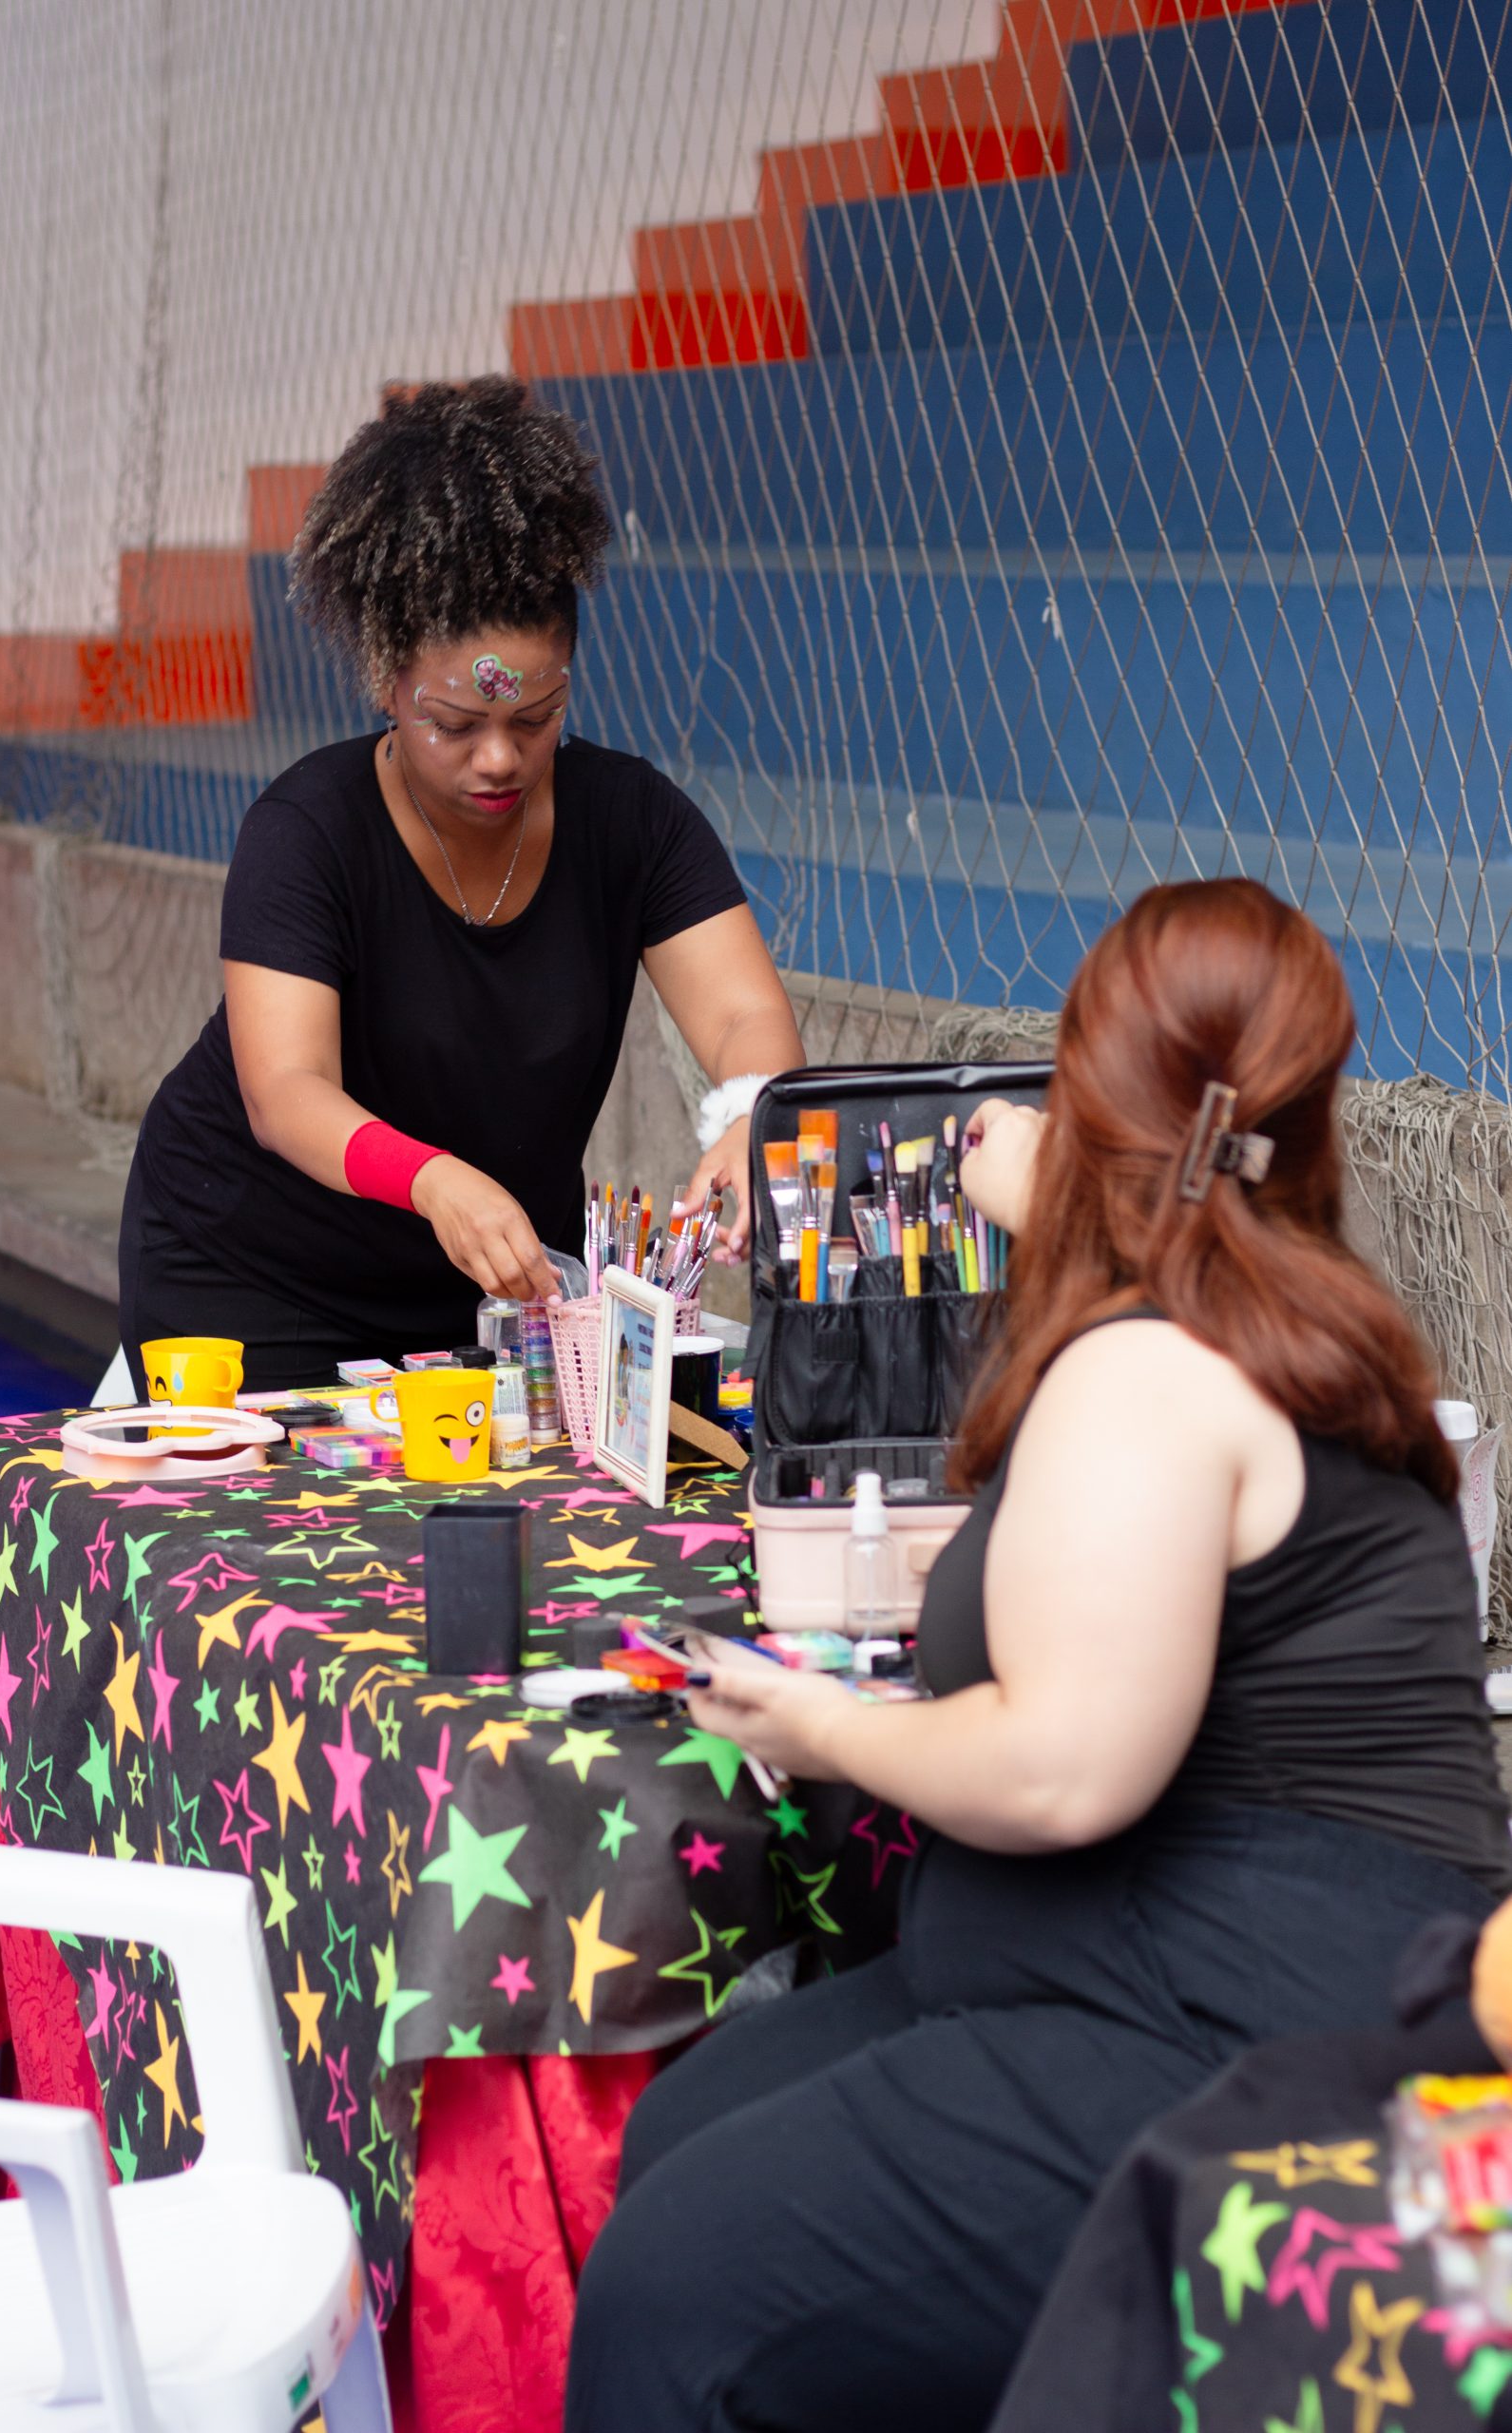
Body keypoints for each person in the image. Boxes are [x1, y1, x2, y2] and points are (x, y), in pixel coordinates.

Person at [565, 877, 1512, 2433]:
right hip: (1159, 1967)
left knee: (672, 2293)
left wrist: (813, 1725)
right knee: (685, 2134)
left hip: (1243, 2021)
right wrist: (1068, 1196)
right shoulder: (1286, 1317)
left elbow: (1064, 1769)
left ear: (1087, 1104)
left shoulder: (1148, 1365)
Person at [120, 377, 802, 1391]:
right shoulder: (307, 831)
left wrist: (749, 1113)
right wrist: (432, 1180)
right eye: (454, 725)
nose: (498, 759)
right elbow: (285, 1090)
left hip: (500, 1285)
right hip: (256, 1278)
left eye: (534, 720)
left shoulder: (633, 823)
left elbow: (744, 1010)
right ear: (386, 683)